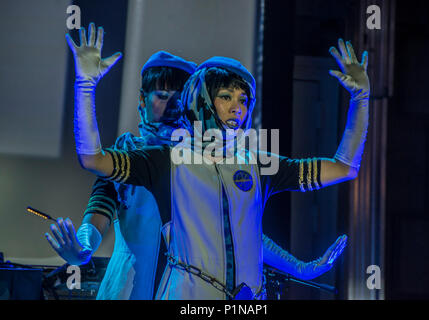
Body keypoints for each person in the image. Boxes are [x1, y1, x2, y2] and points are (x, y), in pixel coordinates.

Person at [45, 23, 348, 299]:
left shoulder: (208, 162)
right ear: (142, 101)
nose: (173, 105)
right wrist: (80, 249)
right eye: (162, 95)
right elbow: (95, 217)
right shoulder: (132, 153)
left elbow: (245, 235)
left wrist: (301, 267)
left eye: (182, 96)